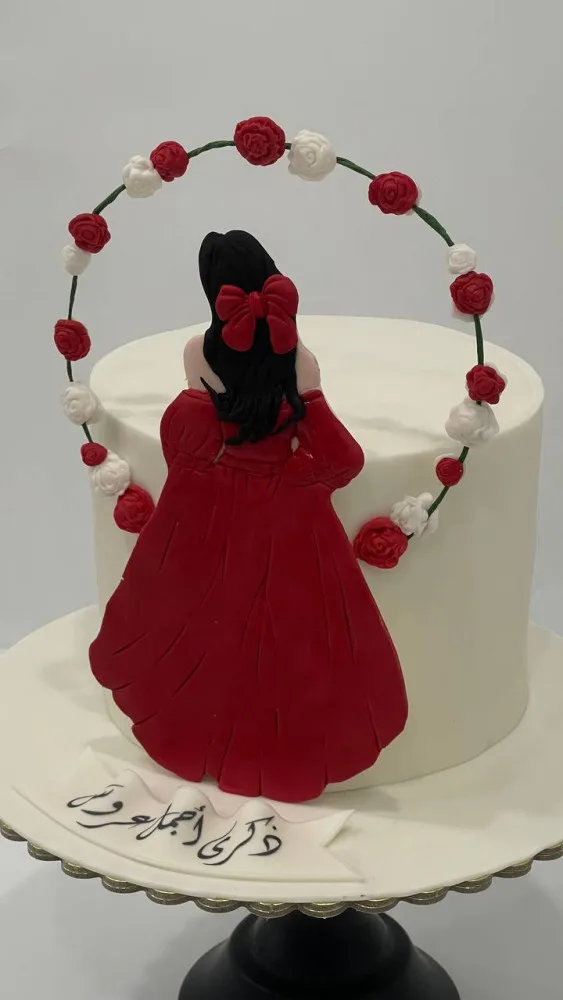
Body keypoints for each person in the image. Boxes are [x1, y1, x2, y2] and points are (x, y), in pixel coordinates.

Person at [89, 230, 408, 803]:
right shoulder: (299, 360)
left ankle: (198, 742)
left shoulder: (197, 353)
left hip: (207, 520)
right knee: (286, 648)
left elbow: (184, 442)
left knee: (204, 634)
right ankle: (273, 758)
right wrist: (291, 467)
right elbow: (343, 460)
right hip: (285, 526)